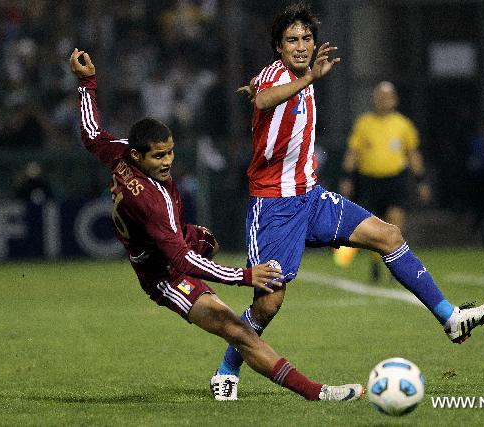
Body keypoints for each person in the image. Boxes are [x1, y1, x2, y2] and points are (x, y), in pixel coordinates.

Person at [211, 3, 484, 401]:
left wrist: (299, 78)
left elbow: (260, 93)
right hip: (274, 207)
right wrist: (303, 78)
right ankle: (226, 369)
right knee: (268, 305)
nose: (301, 45)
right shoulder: (282, 76)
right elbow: (262, 101)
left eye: (306, 38)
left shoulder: (294, 75)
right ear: (278, 46)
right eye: (292, 40)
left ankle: (450, 318)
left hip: (311, 198)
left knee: (389, 235)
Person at [69, 48, 364, 402]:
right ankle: (316, 393)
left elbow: (90, 133)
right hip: (164, 276)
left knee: (238, 329)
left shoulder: (120, 154)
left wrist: (87, 81)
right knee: (236, 329)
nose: (167, 162)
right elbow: (181, 261)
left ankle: (248, 380)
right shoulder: (150, 200)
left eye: (170, 152)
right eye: (158, 156)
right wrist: (244, 275)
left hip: (170, 249)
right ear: (138, 156)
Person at [337, 81, 431, 280]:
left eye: (387, 97)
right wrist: (347, 177)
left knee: (395, 224)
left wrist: (421, 181)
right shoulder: (364, 123)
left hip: (396, 179)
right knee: (373, 226)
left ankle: (394, 265)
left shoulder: (403, 124)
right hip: (370, 180)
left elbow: (413, 154)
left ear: (395, 100)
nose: (384, 101)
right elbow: (353, 153)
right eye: (380, 97)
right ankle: (375, 262)